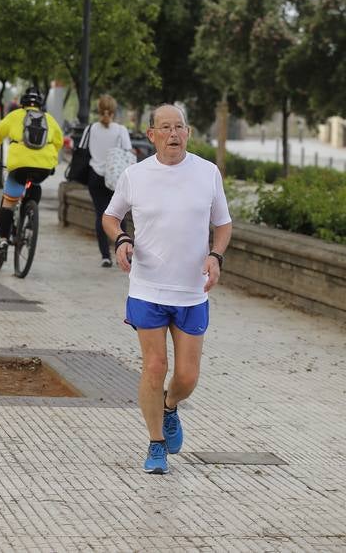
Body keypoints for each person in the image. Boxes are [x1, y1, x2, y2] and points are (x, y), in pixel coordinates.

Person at [102, 103, 232, 475]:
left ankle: (170, 406)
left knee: (187, 376)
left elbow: (222, 225)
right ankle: (156, 443)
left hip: (192, 291)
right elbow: (110, 216)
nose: (174, 134)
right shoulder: (136, 175)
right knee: (155, 365)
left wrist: (216, 256)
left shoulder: (207, 173)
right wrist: (122, 239)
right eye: (166, 127)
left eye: (180, 127)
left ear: (188, 133)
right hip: (147, 286)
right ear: (153, 134)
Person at [0, 87, 63, 262]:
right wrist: (52, 163)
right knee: (35, 186)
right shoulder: (49, 120)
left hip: (18, 168)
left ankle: (2, 240)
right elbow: (59, 142)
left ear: (23, 103)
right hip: (43, 169)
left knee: (8, 203)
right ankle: (29, 216)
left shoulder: (15, 116)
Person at [81, 94, 133, 268]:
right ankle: (124, 253)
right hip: (116, 177)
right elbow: (127, 151)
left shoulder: (91, 129)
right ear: (114, 111)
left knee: (101, 215)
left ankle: (105, 256)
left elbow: (82, 149)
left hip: (95, 176)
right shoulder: (120, 130)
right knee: (120, 216)